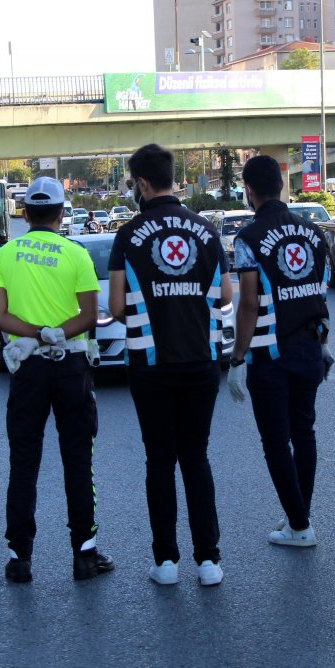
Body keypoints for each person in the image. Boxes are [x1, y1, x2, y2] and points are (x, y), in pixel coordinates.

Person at [109, 143, 232, 587]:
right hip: (201, 360)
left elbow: (117, 305)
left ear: (141, 183)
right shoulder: (206, 230)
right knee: (196, 457)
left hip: (150, 365)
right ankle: (210, 561)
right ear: (171, 176)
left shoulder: (128, 235)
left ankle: (165, 562)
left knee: (159, 459)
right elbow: (225, 296)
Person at [0, 176, 112, 584]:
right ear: (61, 212)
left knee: (24, 462)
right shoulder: (76, 254)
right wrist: (57, 331)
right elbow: (91, 315)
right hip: (71, 365)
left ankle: (19, 558)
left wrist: (35, 333)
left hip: (28, 368)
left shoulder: (6, 254)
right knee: (78, 459)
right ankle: (85, 555)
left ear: (24, 214)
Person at [227, 155, 334, 548]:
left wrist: (237, 358)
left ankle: (299, 525)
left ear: (249, 191)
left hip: (269, 354)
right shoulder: (313, 233)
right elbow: (319, 293)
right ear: (283, 186)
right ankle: (298, 516)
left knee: (276, 440)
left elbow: (250, 303)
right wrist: (323, 344)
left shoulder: (249, 238)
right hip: (309, 347)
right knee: (304, 431)